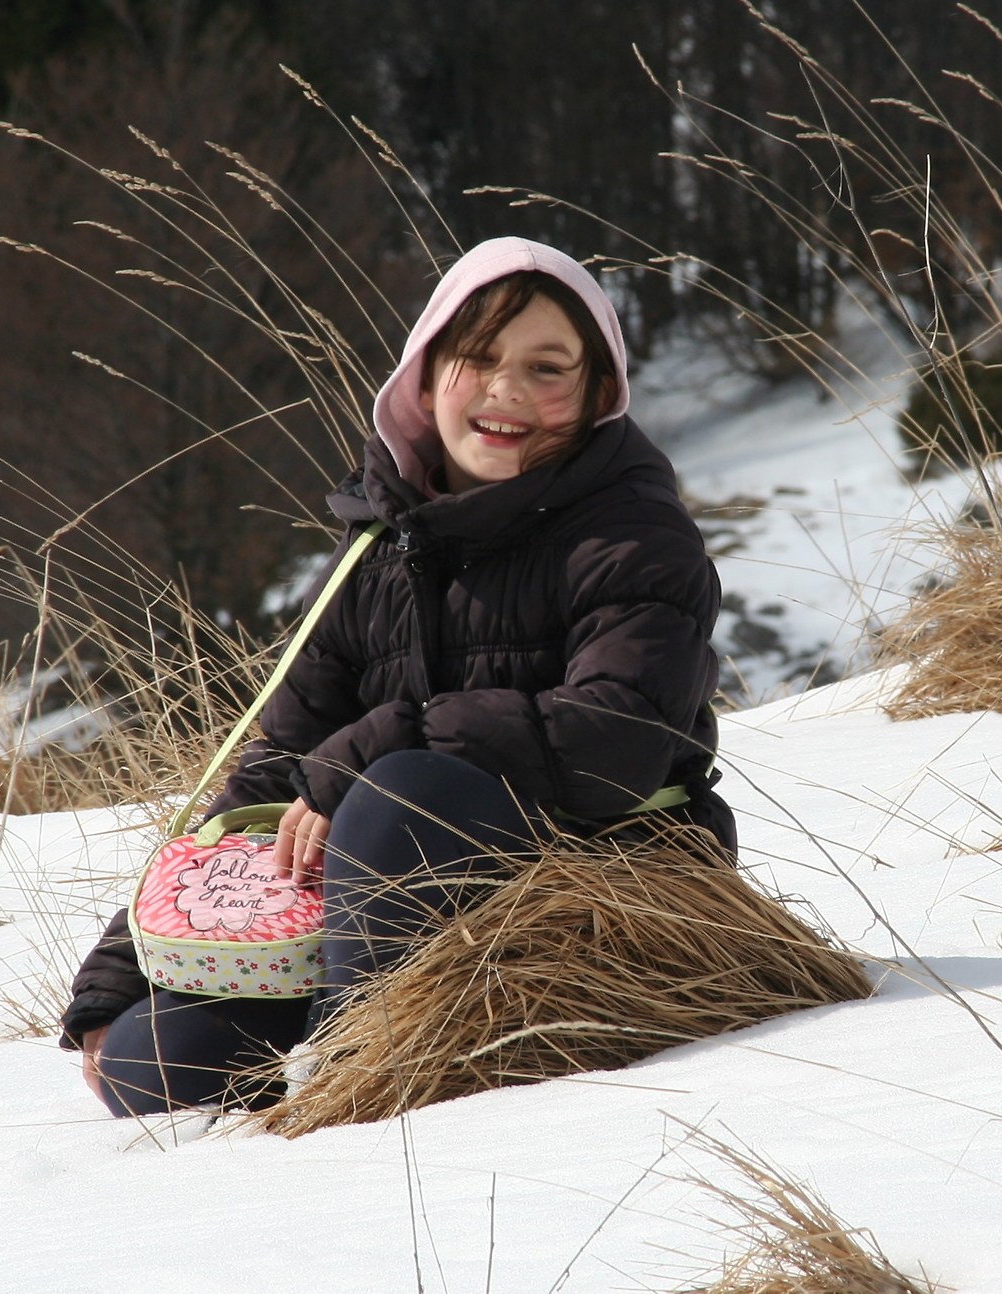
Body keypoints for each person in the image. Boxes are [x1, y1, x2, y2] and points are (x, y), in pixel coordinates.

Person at [60, 237, 729, 1115]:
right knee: (151, 1064)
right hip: (380, 912)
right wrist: (119, 974)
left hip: (595, 888)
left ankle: (349, 1078)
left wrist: (385, 741)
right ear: (424, 375)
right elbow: (275, 770)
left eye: (547, 368)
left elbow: (620, 740)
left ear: (600, 392)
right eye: (478, 357)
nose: (506, 390)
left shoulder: (634, 536)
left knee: (404, 787)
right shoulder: (372, 552)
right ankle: (345, 1044)